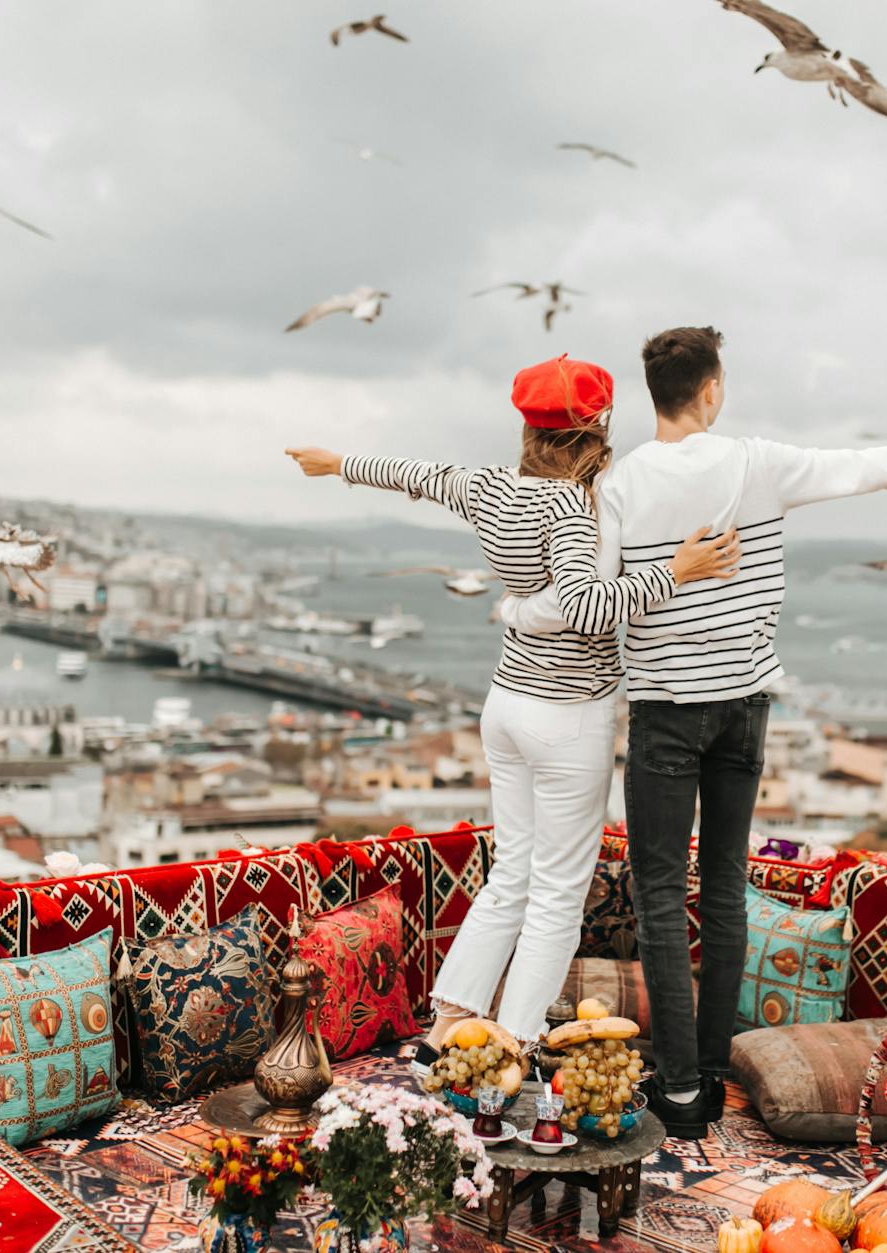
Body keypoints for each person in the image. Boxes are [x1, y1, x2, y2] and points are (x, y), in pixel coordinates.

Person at [500, 327, 887, 1136]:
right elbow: (882, 466)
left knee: (663, 899)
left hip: (665, 710)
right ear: (712, 389)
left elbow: (593, 597)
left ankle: (682, 1089)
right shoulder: (758, 464)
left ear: (653, 394)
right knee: (726, 887)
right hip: (745, 707)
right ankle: (721, 1070)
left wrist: (518, 611)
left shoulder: (619, 489)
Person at [283, 354, 741, 1066]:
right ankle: (510, 1043)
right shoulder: (570, 506)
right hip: (567, 715)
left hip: (506, 706)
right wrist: (674, 571)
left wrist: (337, 462)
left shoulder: (493, 488)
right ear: (599, 423)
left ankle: (448, 1025)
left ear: (526, 422)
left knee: (512, 873)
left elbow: (421, 476)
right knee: (557, 891)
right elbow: (589, 607)